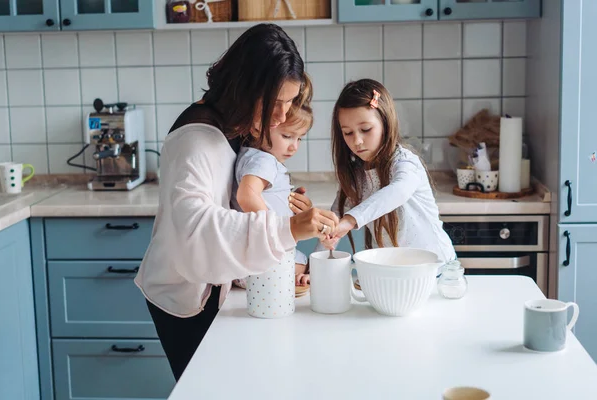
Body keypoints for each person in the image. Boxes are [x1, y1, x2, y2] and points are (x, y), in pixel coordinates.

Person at [134, 23, 339, 382]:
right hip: (182, 296)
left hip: (211, 285)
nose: (281, 115)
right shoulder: (195, 141)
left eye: (290, 102)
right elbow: (196, 226)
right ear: (246, 89)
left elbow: (233, 192)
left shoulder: (232, 122)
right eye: (276, 104)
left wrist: (277, 201)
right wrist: (285, 228)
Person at [298, 78, 455, 264]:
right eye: (348, 133)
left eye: (365, 129)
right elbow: (336, 220)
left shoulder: (405, 163)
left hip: (435, 268)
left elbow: (398, 191)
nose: (357, 141)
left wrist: (350, 221)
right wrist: (313, 266)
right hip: (391, 271)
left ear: (385, 124)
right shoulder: (356, 175)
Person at [231, 105, 314, 287]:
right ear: (256, 129)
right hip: (261, 265)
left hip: (247, 262)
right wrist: (276, 229)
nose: (294, 147)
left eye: (299, 138)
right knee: (312, 267)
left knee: (305, 264)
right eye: (287, 136)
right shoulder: (264, 160)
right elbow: (246, 196)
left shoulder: (252, 156)